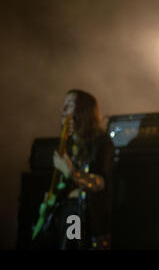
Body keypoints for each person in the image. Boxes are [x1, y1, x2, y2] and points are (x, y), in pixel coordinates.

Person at [32, 89, 113, 250]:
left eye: (69, 105)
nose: (63, 110)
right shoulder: (68, 142)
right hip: (62, 211)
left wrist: (72, 173)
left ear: (83, 110)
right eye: (64, 105)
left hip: (80, 214)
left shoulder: (101, 142)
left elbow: (102, 183)